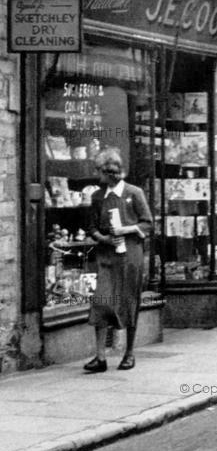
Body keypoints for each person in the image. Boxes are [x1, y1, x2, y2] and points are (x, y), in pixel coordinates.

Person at [84, 148, 152, 373]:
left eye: (99, 170)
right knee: (101, 302)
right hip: (107, 256)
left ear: (110, 172)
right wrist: (104, 239)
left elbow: (148, 224)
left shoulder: (134, 193)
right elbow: (92, 227)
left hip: (130, 255)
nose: (97, 175)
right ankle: (100, 357)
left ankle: (129, 353)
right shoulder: (97, 197)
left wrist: (127, 229)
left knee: (129, 301)